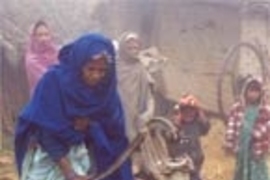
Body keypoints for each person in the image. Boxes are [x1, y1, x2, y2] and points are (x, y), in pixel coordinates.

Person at [15, 33, 133, 180]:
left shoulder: (106, 92)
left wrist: (91, 125)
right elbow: (44, 129)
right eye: (90, 69)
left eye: (102, 71)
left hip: (85, 157)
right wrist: (69, 172)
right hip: (50, 156)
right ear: (79, 65)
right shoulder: (54, 82)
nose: (96, 76)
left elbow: (115, 136)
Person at [224, 77, 270, 180]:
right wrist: (229, 142)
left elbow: (268, 125)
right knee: (241, 169)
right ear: (245, 91)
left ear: (261, 93)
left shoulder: (264, 109)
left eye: (256, 91)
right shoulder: (238, 108)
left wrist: (258, 132)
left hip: (256, 148)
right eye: (251, 90)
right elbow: (231, 125)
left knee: (257, 171)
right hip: (242, 147)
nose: (253, 94)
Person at [116, 32, 154, 141]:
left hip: (134, 116)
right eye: (130, 47)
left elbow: (148, 96)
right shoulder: (114, 67)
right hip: (116, 114)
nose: (134, 50)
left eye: (136, 47)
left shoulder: (140, 68)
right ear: (122, 47)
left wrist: (146, 115)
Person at [168, 94, 210, 180]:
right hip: (179, 162)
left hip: (195, 161)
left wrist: (200, 113)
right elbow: (169, 140)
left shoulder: (197, 124)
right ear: (181, 111)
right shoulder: (175, 124)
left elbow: (206, 128)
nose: (189, 114)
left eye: (192, 111)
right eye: (185, 111)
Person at [25, 20, 58, 95]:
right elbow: (47, 79)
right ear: (34, 37)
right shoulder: (32, 60)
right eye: (40, 35)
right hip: (42, 99)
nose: (44, 38)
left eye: (46, 34)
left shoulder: (56, 53)